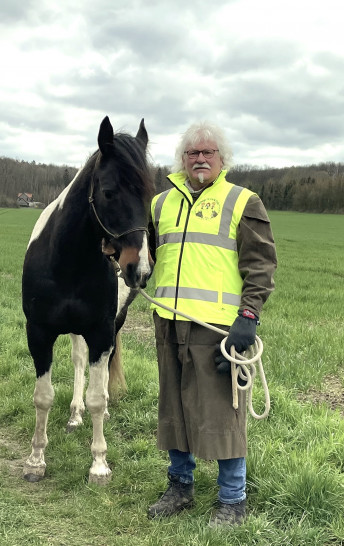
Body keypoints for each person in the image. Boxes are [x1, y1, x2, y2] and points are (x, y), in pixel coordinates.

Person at [146, 122, 277, 526]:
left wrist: (248, 316)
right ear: (181, 160)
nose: (200, 159)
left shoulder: (243, 201)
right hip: (168, 323)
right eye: (192, 154)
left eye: (208, 153)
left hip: (219, 330)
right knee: (175, 409)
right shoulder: (160, 204)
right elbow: (143, 255)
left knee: (223, 413)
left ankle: (232, 500)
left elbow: (261, 266)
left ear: (222, 159)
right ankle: (180, 486)